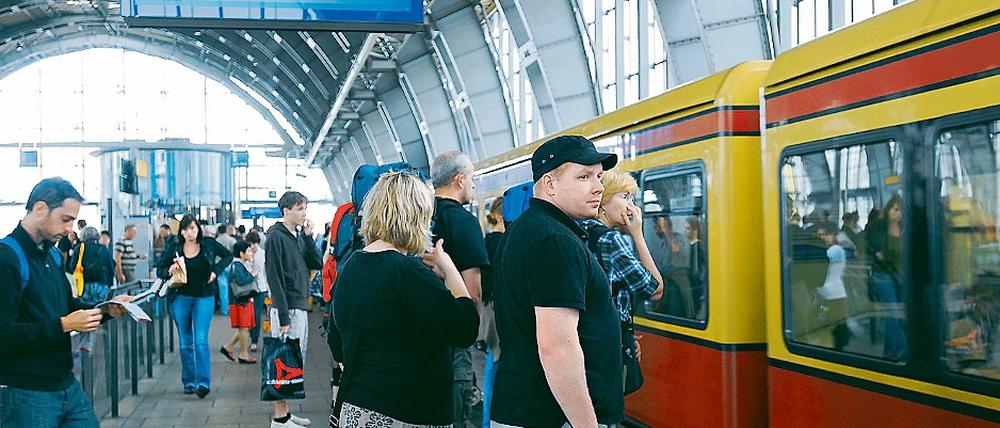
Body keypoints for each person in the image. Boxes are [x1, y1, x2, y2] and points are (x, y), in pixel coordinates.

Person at [491, 135, 623, 428]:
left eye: (599, 176)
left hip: (529, 408)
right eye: (584, 176)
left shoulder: (529, 229)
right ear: (549, 184)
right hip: (552, 417)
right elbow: (557, 347)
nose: (599, 187)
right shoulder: (554, 241)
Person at [329, 171, 479, 428]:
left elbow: (337, 340)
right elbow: (465, 328)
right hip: (405, 412)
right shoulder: (407, 272)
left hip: (357, 411)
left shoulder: (353, 266)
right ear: (415, 217)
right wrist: (449, 268)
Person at [0, 177, 133, 427]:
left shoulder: (51, 254)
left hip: (64, 383)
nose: (70, 228)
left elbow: (67, 305)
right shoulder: (6, 259)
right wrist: (62, 325)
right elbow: (4, 335)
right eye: (66, 219)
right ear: (40, 209)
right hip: (25, 390)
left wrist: (107, 309)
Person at [581, 170, 664, 394]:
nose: (632, 206)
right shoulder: (612, 239)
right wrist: (637, 233)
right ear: (603, 202)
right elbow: (655, 289)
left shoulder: (581, 232)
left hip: (587, 338)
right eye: (624, 197)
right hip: (608, 344)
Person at [430, 150, 490, 427]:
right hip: (453, 334)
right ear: (459, 180)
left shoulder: (419, 216)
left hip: (420, 328)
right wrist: (471, 331)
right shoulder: (464, 222)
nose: (474, 184)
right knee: (455, 407)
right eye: (472, 178)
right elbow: (473, 290)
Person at [157, 214, 233, 399]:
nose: (189, 233)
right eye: (185, 229)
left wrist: (215, 271)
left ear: (197, 228)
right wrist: (168, 270)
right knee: (185, 342)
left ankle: (202, 382)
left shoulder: (208, 244)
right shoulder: (175, 248)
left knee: (200, 340)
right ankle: (188, 380)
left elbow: (228, 256)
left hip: (204, 297)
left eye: (192, 228)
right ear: (180, 232)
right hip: (180, 298)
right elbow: (159, 267)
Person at [265, 191, 323, 428]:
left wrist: (308, 237)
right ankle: (279, 419)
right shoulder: (276, 237)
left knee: (293, 361)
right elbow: (274, 277)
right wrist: (283, 314)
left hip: (299, 305)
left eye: (305, 209)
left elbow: (316, 262)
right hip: (287, 308)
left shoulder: (296, 235)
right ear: (286, 210)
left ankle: (285, 414)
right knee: (283, 361)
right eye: (299, 209)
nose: (303, 213)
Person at [865, 195, 906, 360]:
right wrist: (877, 253)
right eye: (895, 209)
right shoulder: (879, 227)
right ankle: (898, 350)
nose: (898, 213)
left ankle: (890, 351)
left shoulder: (904, 229)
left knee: (900, 313)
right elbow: (872, 247)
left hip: (900, 275)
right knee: (893, 312)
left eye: (901, 210)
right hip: (883, 274)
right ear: (889, 209)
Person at [66, 226, 117, 352]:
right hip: (102, 285)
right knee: (100, 310)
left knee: (86, 312)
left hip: (85, 285)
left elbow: (72, 266)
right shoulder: (104, 250)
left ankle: (86, 342)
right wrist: (110, 284)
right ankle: (101, 342)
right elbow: (111, 267)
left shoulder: (80, 248)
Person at [814, 222, 851, 351]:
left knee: (835, 326)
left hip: (834, 294)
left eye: (825, 234)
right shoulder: (836, 250)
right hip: (831, 293)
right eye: (819, 235)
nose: (823, 238)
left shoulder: (835, 250)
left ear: (832, 235)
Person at [221, 240, 258, 364]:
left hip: (241, 300)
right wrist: (252, 275)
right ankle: (243, 354)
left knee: (244, 328)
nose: (250, 253)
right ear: (241, 253)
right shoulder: (237, 265)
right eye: (248, 251)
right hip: (241, 300)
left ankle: (228, 347)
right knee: (244, 329)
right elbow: (241, 280)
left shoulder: (239, 264)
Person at [246, 231, 269, 353]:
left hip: (261, 289)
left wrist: (269, 291)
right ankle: (250, 336)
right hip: (248, 289)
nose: (253, 246)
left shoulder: (264, 254)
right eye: (250, 244)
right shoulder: (246, 254)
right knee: (248, 315)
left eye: (254, 244)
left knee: (256, 314)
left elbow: (267, 273)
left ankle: (254, 341)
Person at [685, 216, 708, 320]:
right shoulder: (693, 246)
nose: (684, 231)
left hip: (695, 287)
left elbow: (700, 270)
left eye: (688, 228)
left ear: (695, 231)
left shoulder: (697, 247)